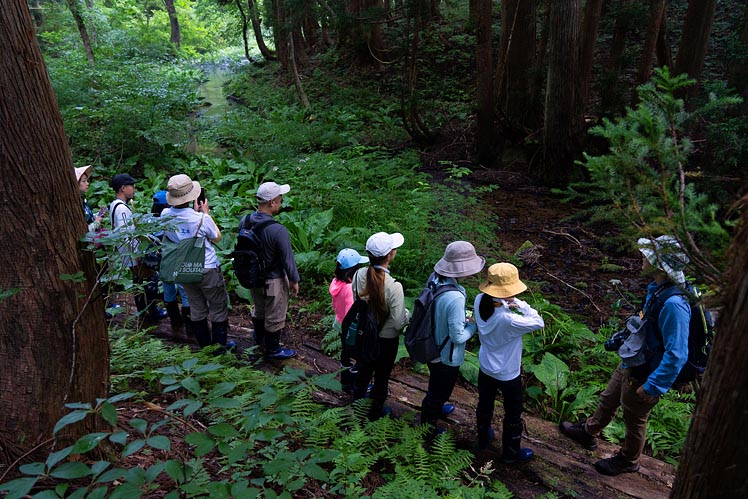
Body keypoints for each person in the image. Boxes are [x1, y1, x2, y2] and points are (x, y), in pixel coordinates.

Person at [559, 235, 690, 476]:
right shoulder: (659, 288)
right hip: (635, 360)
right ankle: (589, 431)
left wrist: (653, 386)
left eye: (648, 256)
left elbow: (678, 354)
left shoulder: (674, 305)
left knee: (635, 418)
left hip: (647, 372)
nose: (642, 257)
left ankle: (629, 460)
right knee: (609, 397)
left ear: (660, 265)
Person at [474, 262, 544, 464]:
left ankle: (483, 439)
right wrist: (522, 305)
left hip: (485, 367)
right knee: (513, 414)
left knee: (484, 404)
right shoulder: (509, 319)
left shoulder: (480, 300)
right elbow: (539, 321)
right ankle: (510, 453)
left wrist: (508, 302)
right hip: (507, 373)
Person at [420, 241, 485, 435]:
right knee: (439, 391)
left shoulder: (435, 279)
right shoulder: (455, 297)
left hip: (431, 345)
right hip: (446, 355)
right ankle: (427, 426)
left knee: (436, 385)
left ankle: (436, 409)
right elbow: (457, 337)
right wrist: (473, 325)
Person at [162, 174, 232, 350]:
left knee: (196, 308)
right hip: (207, 267)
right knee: (218, 307)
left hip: (184, 268)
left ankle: (205, 348)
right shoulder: (201, 218)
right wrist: (206, 214)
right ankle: (219, 349)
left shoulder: (164, 215)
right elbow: (217, 238)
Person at [351, 231, 409, 420]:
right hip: (386, 339)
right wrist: (407, 315)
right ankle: (375, 411)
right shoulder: (394, 286)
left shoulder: (359, 274)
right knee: (381, 376)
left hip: (364, 333)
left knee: (363, 368)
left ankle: (357, 404)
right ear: (391, 254)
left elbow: (357, 303)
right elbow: (399, 321)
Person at [245, 181, 300, 361]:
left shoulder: (244, 221)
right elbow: (287, 258)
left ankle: (258, 338)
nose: (281, 202)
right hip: (274, 279)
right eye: (280, 199)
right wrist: (294, 280)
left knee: (259, 308)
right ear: (272, 203)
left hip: (252, 277)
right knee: (275, 314)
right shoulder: (277, 230)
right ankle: (273, 349)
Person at [109, 173, 167, 320]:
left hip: (127, 253)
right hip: (131, 253)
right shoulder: (122, 208)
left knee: (139, 281)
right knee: (149, 279)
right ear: (123, 188)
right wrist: (138, 255)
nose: (134, 189)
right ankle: (150, 312)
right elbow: (125, 234)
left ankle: (145, 312)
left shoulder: (114, 205)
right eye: (131, 186)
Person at [152, 189, 192, 341]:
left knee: (168, 289)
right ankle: (189, 327)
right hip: (180, 257)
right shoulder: (175, 215)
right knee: (184, 291)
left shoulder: (162, 216)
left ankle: (175, 323)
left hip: (165, 258)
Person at [330, 248, 369, 393]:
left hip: (339, 323)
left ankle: (345, 380)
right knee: (358, 355)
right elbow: (351, 313)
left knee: (345, 353)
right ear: (353, 269)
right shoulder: (348, 289)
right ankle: (354, 383)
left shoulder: (337, 282)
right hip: (349, 328)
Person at [76, 165, 104, 232]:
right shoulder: (75, 204)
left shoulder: (82, 199)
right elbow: (83, 231)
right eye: (84, 181)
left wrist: (98, 214)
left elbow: (88, 217)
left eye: (87, 180)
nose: (87, 183)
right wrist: (96, 223)